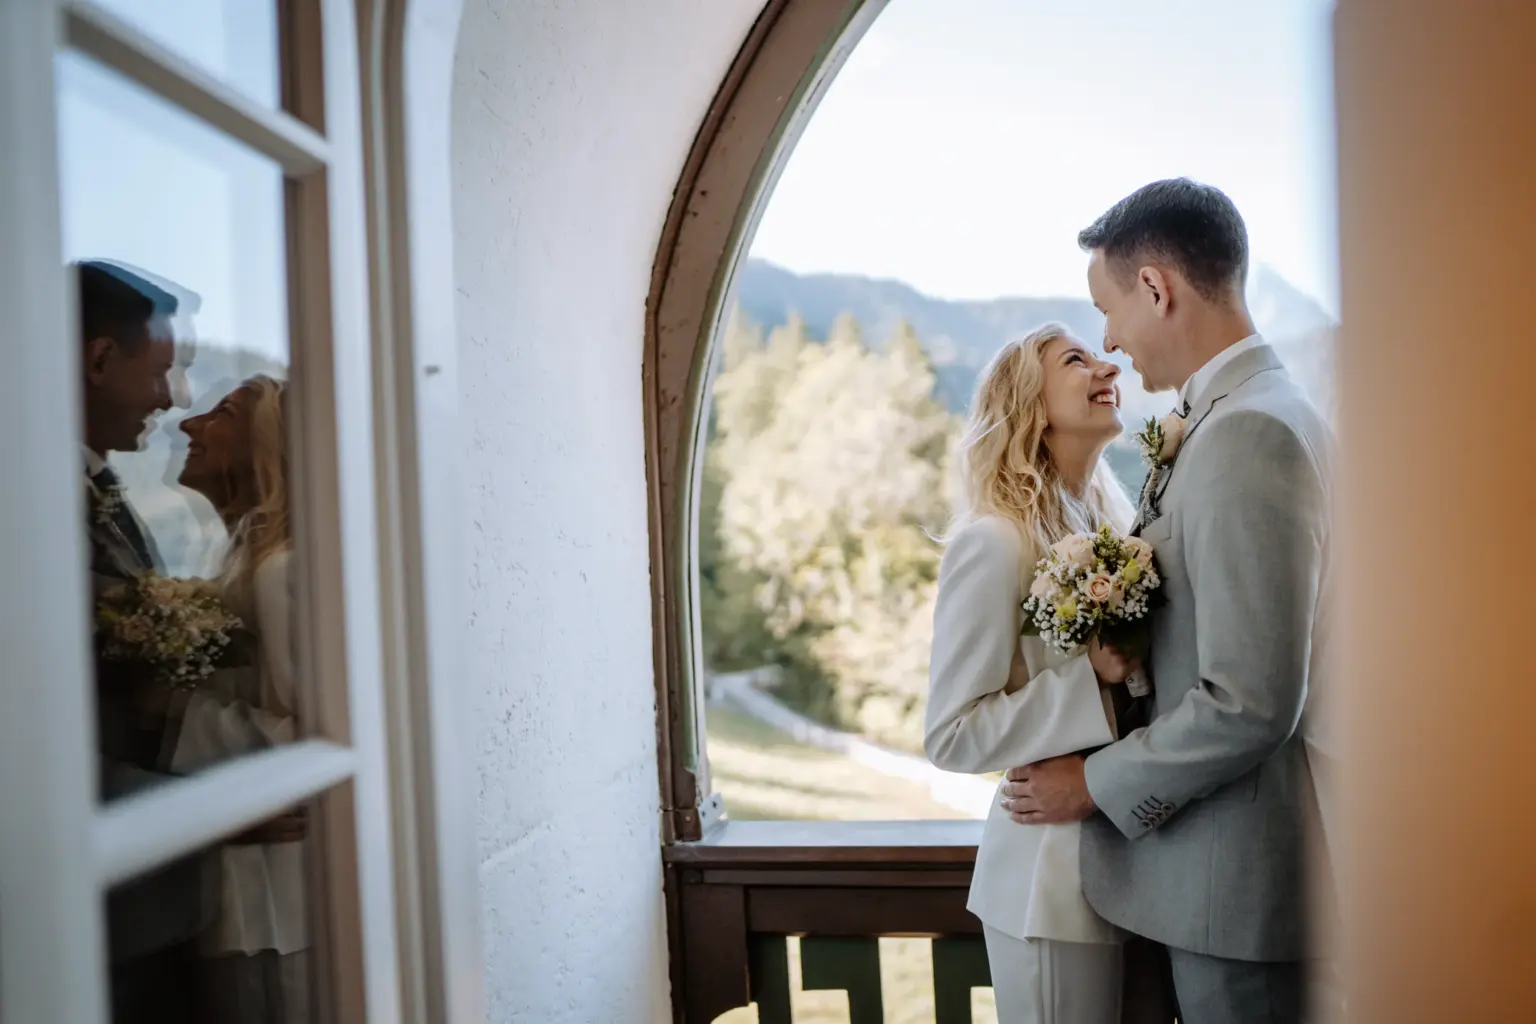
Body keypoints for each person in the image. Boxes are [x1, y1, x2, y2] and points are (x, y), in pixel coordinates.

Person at [1000, 179, 1335, 1023]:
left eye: (1107, 310)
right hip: (1216, 885)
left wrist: (1092, 784)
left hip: (1237, 895)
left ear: (1156, 287)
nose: (1109, 341)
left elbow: (1251, 700)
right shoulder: (1246, 412)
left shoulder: (1249, 434)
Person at [924, 322, 1141, 1023]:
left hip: (1131, 862)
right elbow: (952, 733)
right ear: (1032, 407)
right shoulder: (994, 541)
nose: (1107, 366)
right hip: (1047, 882)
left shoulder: (1115, 525)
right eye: (1075, 360)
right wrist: (1092, 681)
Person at [77, 258, 212, 1023]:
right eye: (162, 370)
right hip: (95, 905)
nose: (174, 398)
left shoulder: (94, 485)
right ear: (99, 359)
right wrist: (209, 808)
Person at [173, 375, 310, 1023]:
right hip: (248, 875)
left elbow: (314, 733)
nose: (188, 424)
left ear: (264, 444)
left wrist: (166, 712)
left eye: (221, 412)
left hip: (279, 891)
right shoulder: (242, 564)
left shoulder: (281, 572)